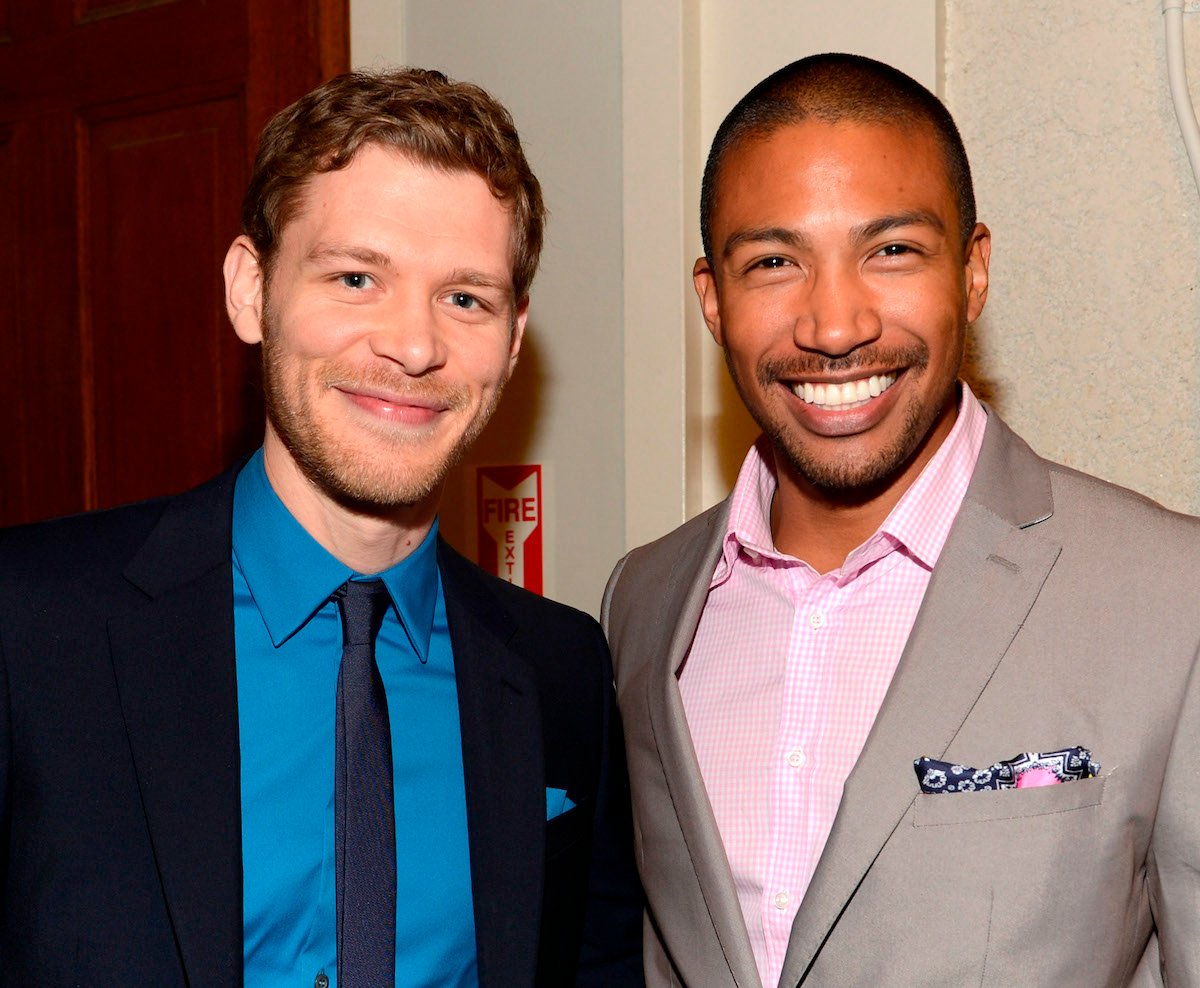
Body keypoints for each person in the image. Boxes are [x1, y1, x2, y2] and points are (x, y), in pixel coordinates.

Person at [0, 68, 642, 987]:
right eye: (355, 277)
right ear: (250, 291)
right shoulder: (31, 630)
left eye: (465, 298)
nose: (414, 346)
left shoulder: (562, 673)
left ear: (512, 337)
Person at [602, 52, 1200, 986]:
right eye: (773, 262)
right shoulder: (642, 602)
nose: (834, 325)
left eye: (891, 251)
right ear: (712, 301)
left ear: (972, 272)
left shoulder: (1171, 595)